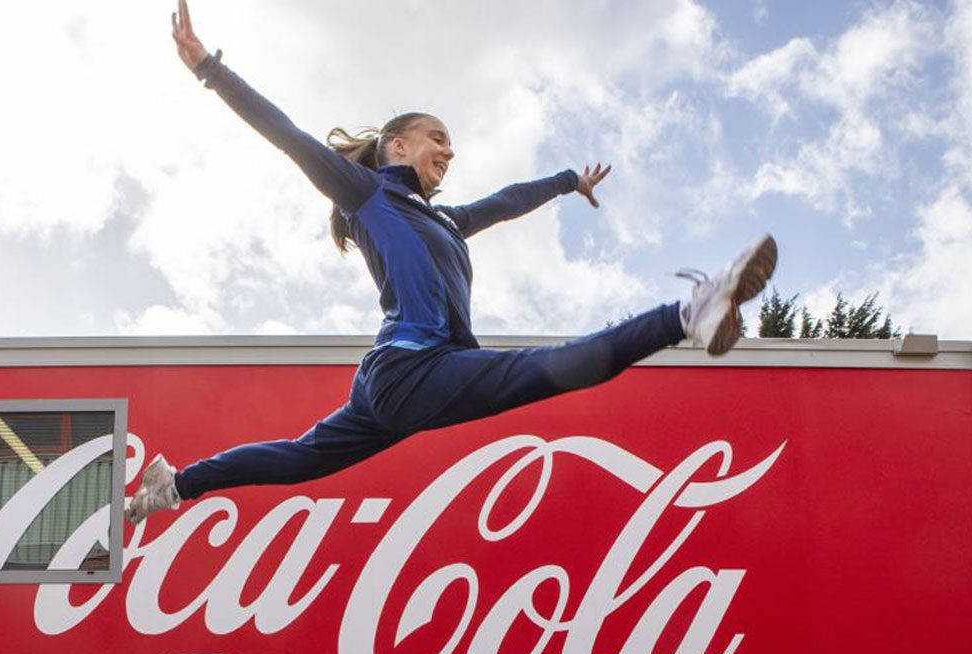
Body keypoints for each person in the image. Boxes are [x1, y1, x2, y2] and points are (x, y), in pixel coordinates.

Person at [125, 0, 777, 524]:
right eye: (438, 137)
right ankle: (688, 312)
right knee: (546, 370)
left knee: (300, 459)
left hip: (392, 386)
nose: (448, 151)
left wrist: (565, 181)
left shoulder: (445, 221)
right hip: (413, 367)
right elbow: (288, 135)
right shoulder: (366, 193)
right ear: (397, 144)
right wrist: (209, 70)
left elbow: (504, 201)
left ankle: (173, 486)